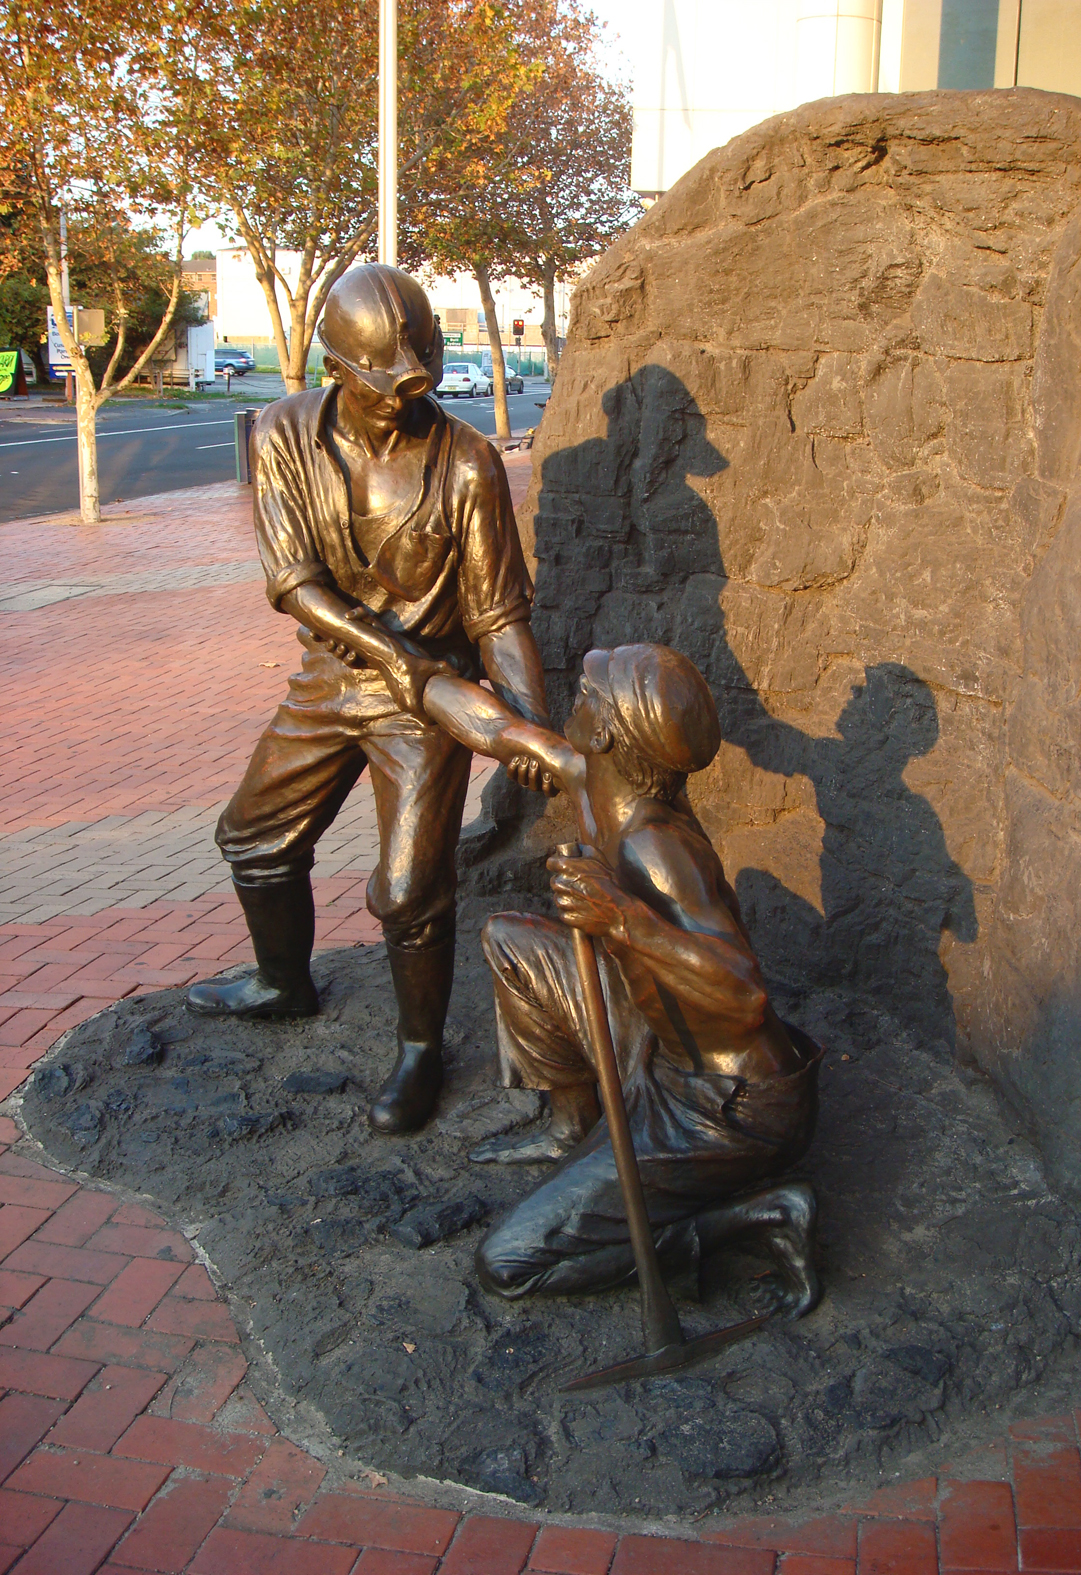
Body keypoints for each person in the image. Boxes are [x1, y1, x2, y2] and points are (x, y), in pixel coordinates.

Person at [186, 264, 551, 1137]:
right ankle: (283, 981)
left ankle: (420, 1046)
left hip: (426, 708)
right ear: (336, 370)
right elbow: (295, 585)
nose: (403, 402)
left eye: (416, 381)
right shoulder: (280, 433)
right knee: (252, 837)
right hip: (334, 676)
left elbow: (498, 616)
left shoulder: (465, 463)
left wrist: (529, 727)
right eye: (386, 386)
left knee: (408, 885)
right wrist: (401, 659)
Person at [366, 639, 822, 1313]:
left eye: (585, 693)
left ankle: (754, 1220)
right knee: (513, 940)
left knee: (509, 1263)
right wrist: (403, 671)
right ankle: (570, 1122)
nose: (571, 699)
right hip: (663, 1047)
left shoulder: (654, 845)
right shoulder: (593, 777)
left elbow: (744, 994)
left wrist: (624, 919)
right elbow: (498, 729)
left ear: (606, 729)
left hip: (726, 1107)